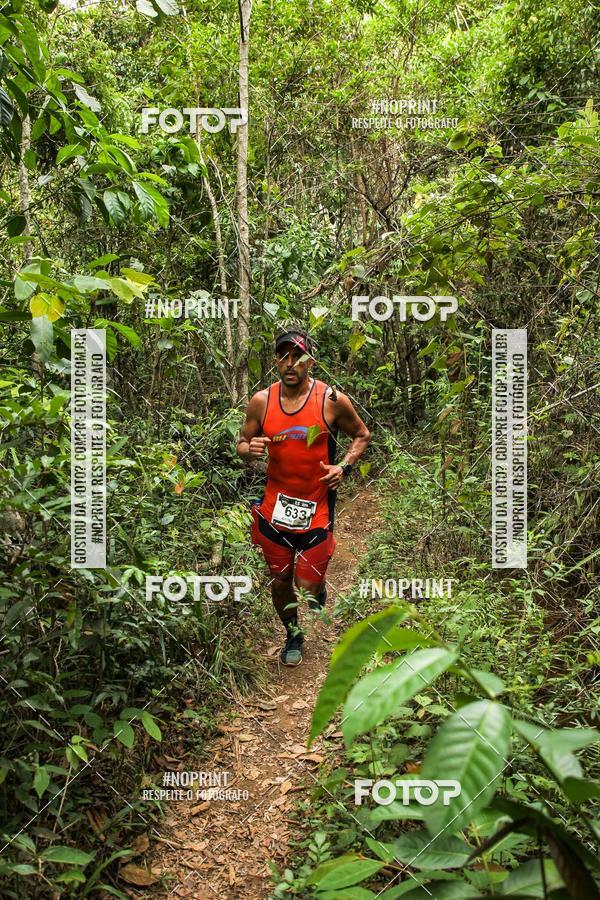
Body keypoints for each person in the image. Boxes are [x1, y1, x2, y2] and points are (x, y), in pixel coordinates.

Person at [237, 328, 371, 666]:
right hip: (274, 508)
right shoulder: (261, 401)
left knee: (307, 583)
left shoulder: (331, 400)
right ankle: (293, 633)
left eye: (298, 356)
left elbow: (361, 435)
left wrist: (344, 466)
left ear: (310, 360)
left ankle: (316, 588)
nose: (291, 363)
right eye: (284, 356)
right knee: (281, 579)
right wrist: (247, 449)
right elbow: (242, 443)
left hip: (317, 506)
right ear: (275, 361)